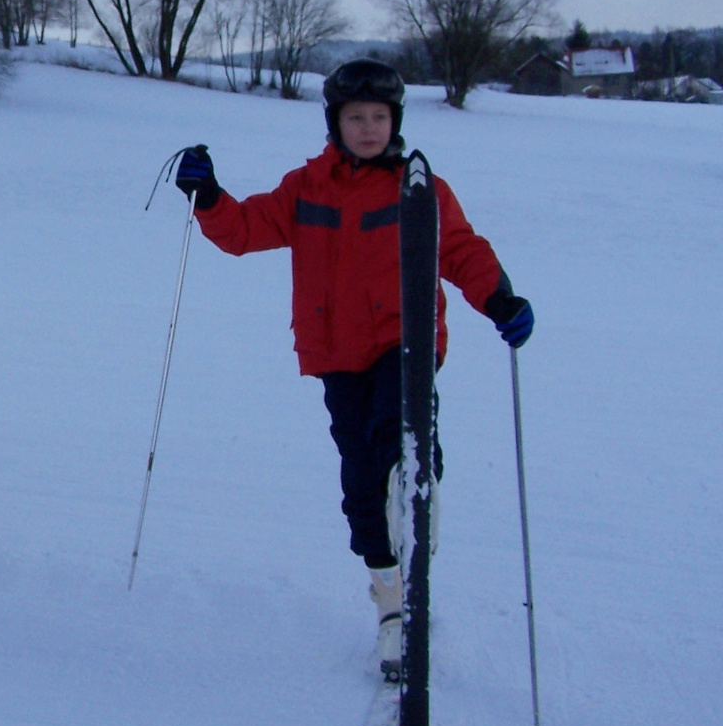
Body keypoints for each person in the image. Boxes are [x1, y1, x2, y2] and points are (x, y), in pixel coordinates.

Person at [173, 58, 532, 679]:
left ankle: (418, 491)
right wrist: (208, 195)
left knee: (400, 436)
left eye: (379, 116)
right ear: (335, 123)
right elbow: (246, 229)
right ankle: (391, 602)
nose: (368, 127)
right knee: (360, 484)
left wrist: (500, 299)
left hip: (405, 341)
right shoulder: (308, 186)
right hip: (336, 354)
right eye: (355, 117)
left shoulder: (420, 187)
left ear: (395, 121)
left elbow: (463, 251)